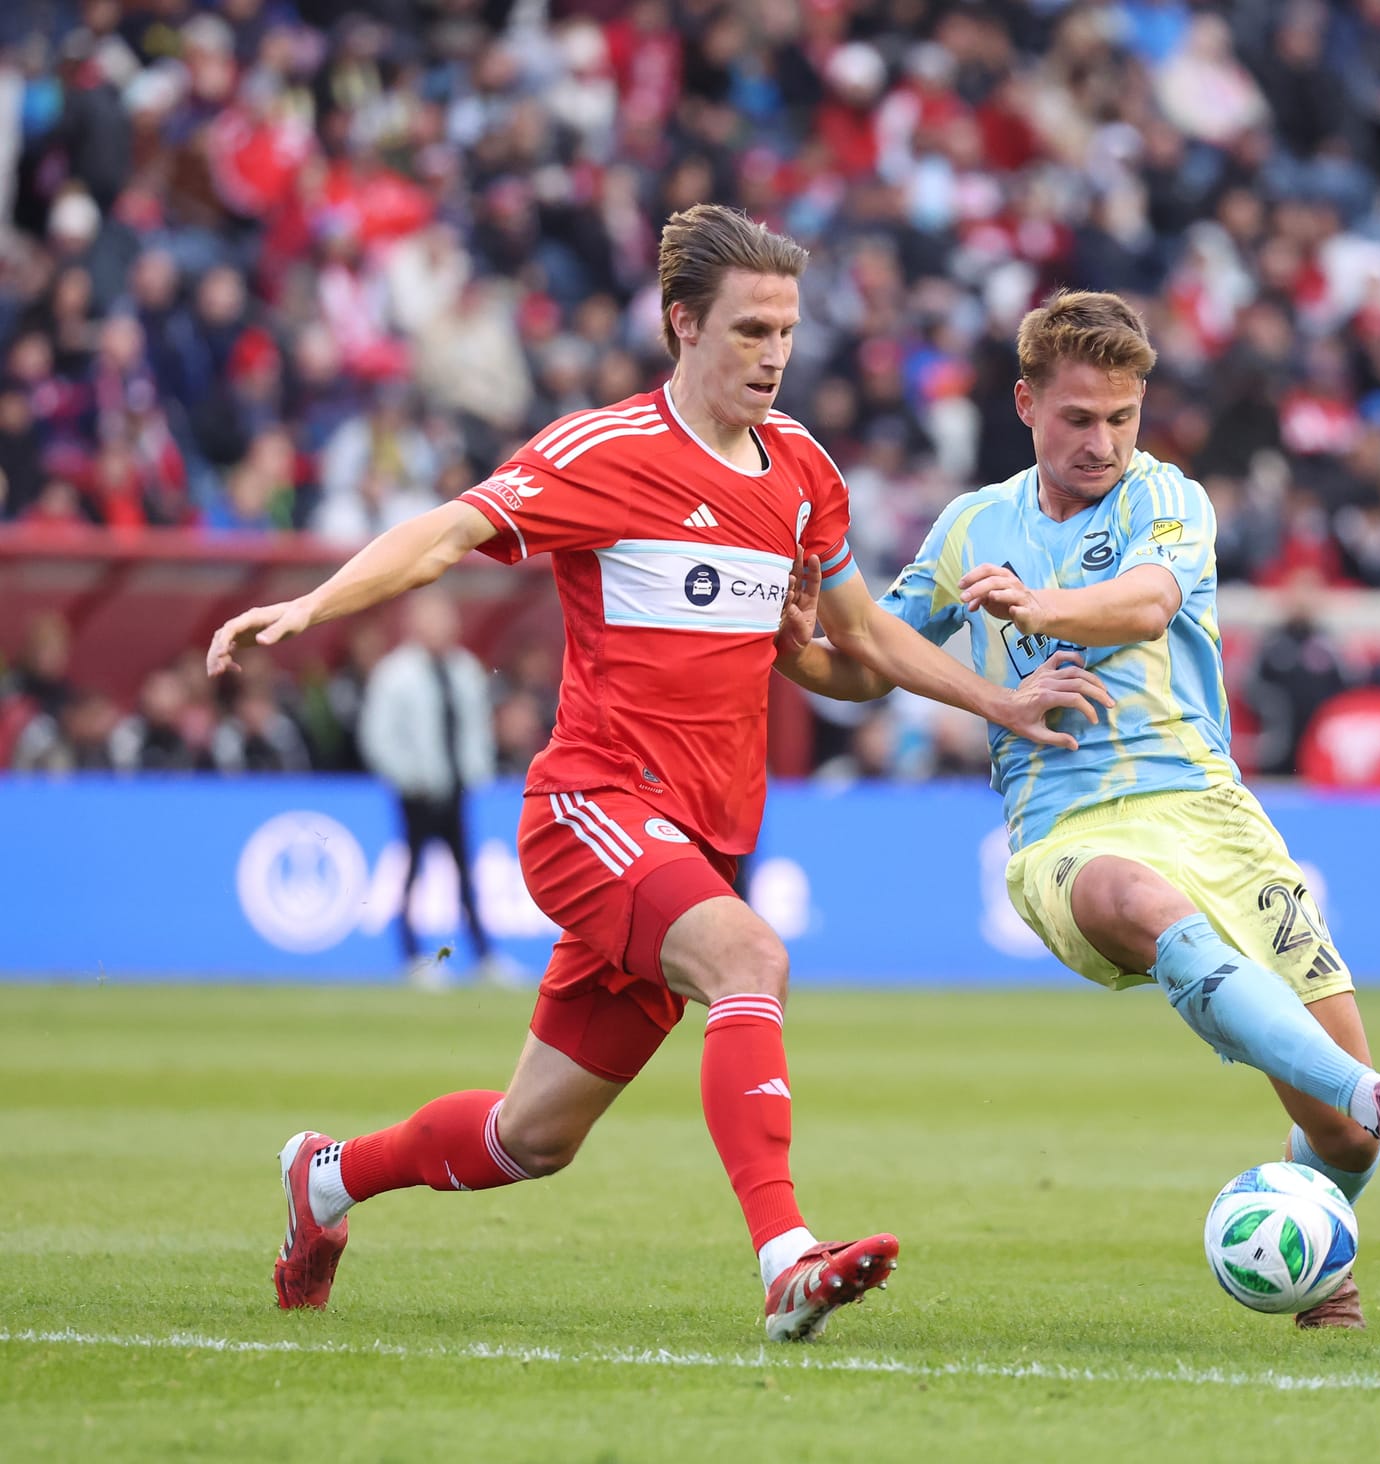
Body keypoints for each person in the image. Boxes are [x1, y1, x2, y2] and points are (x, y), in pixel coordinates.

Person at [206, 204, 1109, 1339]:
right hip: (593, 807)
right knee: (748, 954)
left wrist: (996, 700)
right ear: (681, 324)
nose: (773, 355)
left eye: (784, 330)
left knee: (530, 1138)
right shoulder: (605, 454)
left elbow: (863, 649)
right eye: (748, 330)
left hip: (707, 836)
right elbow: (443, 533)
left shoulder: (802, 474)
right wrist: (310, 605)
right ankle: (785, 1257)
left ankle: (325, 1180)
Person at [778, 290, 1380, 1333]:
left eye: (1120, 419)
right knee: (1127, 896)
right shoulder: (972, 525)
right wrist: (798, 650)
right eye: (1077, 418)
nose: (1101, 443)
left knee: (1338, 1146)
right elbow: (870, 657)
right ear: (1023, 404)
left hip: (1207, 810)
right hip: (1067, 828)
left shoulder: (1168, 498)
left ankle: (1321, 1246)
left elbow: (1146, 604)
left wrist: (1034, 608)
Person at [359, 587, 524, 988]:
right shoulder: (395, 673)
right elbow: (377, 736)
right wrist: (410, 776)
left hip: (456, 789)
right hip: (417, 793)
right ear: (414, 624)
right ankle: (414, 958)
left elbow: (476, 729)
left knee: (465, 875)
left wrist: (476, 771)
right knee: (412, 874)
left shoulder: (464, 669)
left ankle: (484, 958)